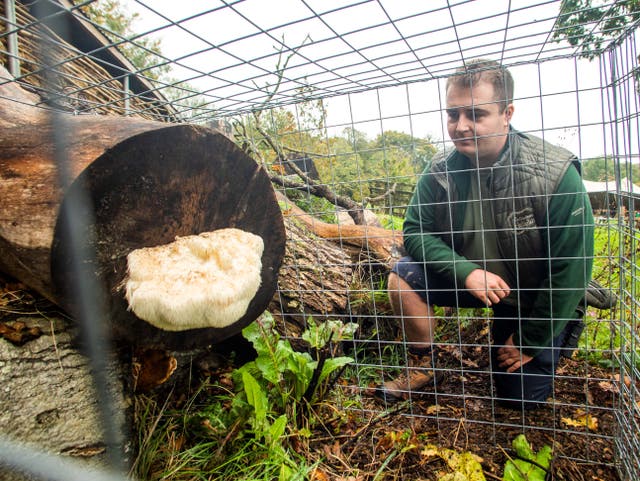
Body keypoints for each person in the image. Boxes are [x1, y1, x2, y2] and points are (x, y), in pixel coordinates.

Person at [378, 59, 594, 409]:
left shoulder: (555, 174)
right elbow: (415, 232)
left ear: (507, 113)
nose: (460, 126)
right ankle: (423, 366)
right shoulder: (440, 171)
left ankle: (552, 329)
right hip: (476, 283)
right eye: (453, 114)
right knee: (403, 276)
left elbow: (571, 270)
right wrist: (467, 272)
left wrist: (527, 341)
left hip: (529, 296)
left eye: (475, 115)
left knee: (520, 401)